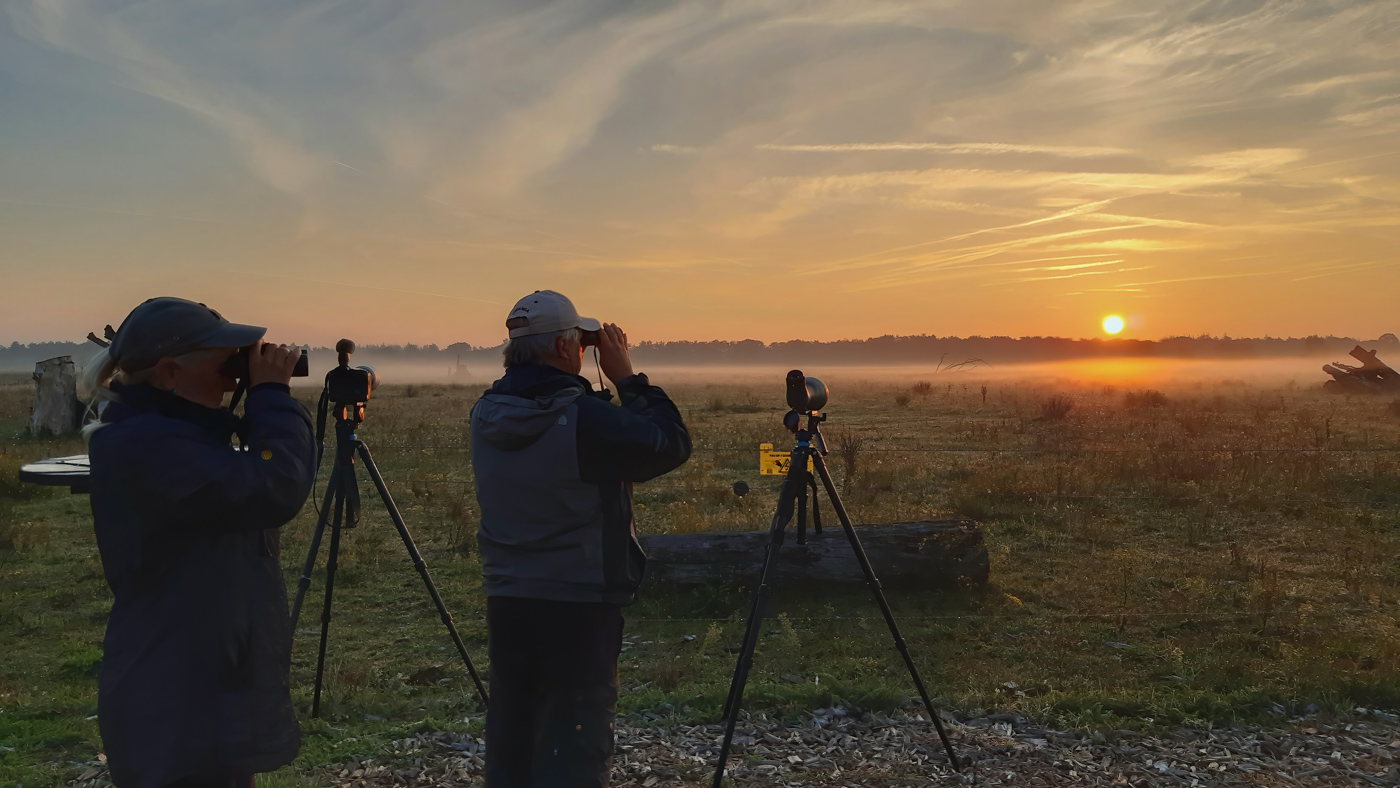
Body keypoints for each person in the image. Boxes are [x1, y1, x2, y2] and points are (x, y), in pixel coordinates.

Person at [83, 297, 316, 788]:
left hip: (202, 685)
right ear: (169, 372)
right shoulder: (147, 445)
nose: (236, 375)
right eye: (225, 361)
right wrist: (270, 397)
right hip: (172, 699)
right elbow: (275, 486)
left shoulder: (178, 437)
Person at [470, 290, 691, 788]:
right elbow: (670, 443)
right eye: (579, 342)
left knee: (515, 739)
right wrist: (628, 377)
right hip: (578, 601)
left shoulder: (485, 413)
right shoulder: (582, 420)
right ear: (566, 347)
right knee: (574, 748)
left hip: (507, 598)